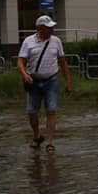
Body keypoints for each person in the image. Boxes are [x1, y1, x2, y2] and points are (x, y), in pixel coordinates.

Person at [17, 15, 73, 152]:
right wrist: (24, 75)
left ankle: (50, 143)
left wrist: (69, 82)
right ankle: (37, 136)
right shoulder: (28, 42)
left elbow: (62, 62)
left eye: (52, 27)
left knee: (51, 110)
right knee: (31, 111)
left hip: (51, 80)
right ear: (40, 28)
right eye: (49, 27)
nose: (52, 29)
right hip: (33, 82)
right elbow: (20, 62)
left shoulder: (56, 41)